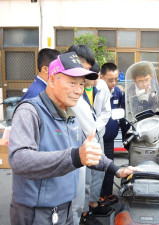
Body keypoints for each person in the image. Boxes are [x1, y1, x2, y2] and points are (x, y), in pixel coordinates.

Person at [8, 52, 134, 225]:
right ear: (52, 80)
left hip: (65, 207)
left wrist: (116, 169)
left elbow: (87, 151)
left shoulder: (70, 114)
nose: (78, 90)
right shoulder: (30, 112)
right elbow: (19, 160)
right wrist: (75, 157)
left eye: (82, 84)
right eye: (72, 83)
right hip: (36, 212)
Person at [66, 45, 112, 225]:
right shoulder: (34, 107)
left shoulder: (97, 88)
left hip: (90, 141)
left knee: (89, 180)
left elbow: (102, 116)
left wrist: (95, 130)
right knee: (77, 190)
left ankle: (87, 210)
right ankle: (83, 214)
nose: (82, 83)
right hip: (76, 152)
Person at [99, 63, 124, 205]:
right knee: (97, 168)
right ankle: (97, 196)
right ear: (101, 77)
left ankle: (107, 194)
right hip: (97, 138)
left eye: (116, 79)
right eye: (110, 80)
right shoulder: (97, 92)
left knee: (110, 166)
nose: (114, 83)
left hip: (110, 137)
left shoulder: (118, 92)